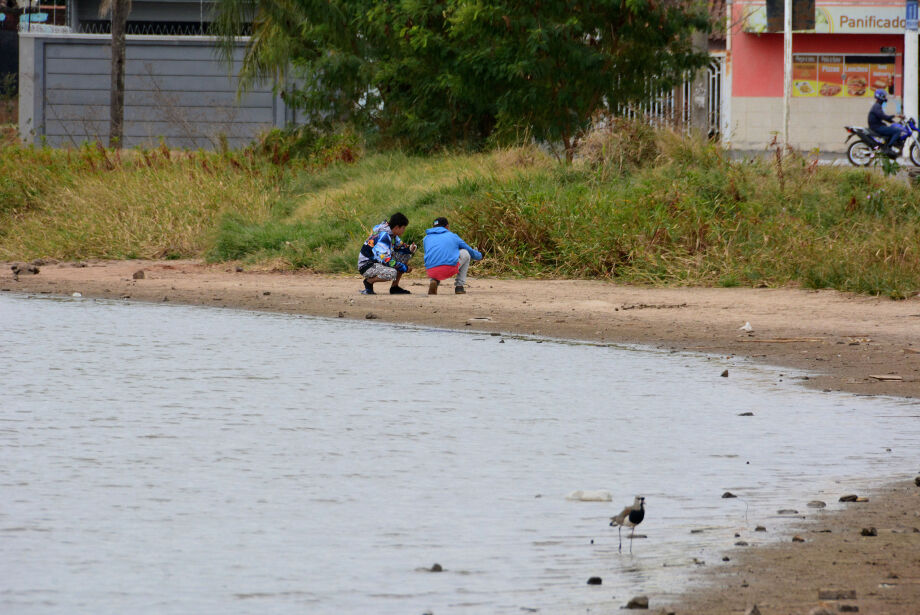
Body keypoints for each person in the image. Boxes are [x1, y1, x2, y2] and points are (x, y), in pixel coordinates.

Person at [357, 212, 417, 295]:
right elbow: (387, 261)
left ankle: (394, 288)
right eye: (403, 228)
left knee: (405, 255)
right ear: (396, 227)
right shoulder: (384, 236)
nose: (404, 230)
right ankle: (369, 282)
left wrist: (410, 248)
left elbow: (400, 247)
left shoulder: (391, 233)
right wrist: (404, 268)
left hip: (377, 261)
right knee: (392, 273)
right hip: (366, 266)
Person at [422, 217, 482, 295]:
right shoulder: (453, 236)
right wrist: (479, 256)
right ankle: (459, 287)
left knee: (435, 257)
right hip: (448, 269)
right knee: (465, 253)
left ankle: (434, 281)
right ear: (447, 226)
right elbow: (470, 251)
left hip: (431, 271)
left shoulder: (426, 238)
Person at [868, 89, 903, 154]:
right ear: (880, 96)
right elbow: (884, 116)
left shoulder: (878, 105)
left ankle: (889, 145)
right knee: (898, 131)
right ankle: (888, 148)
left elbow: (884, 117)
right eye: (884, 96)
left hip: (878, 126)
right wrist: (895, 115)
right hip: (877, 127)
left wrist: (893, 122)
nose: (885, 98)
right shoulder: (877, 106)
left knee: (893, 128)